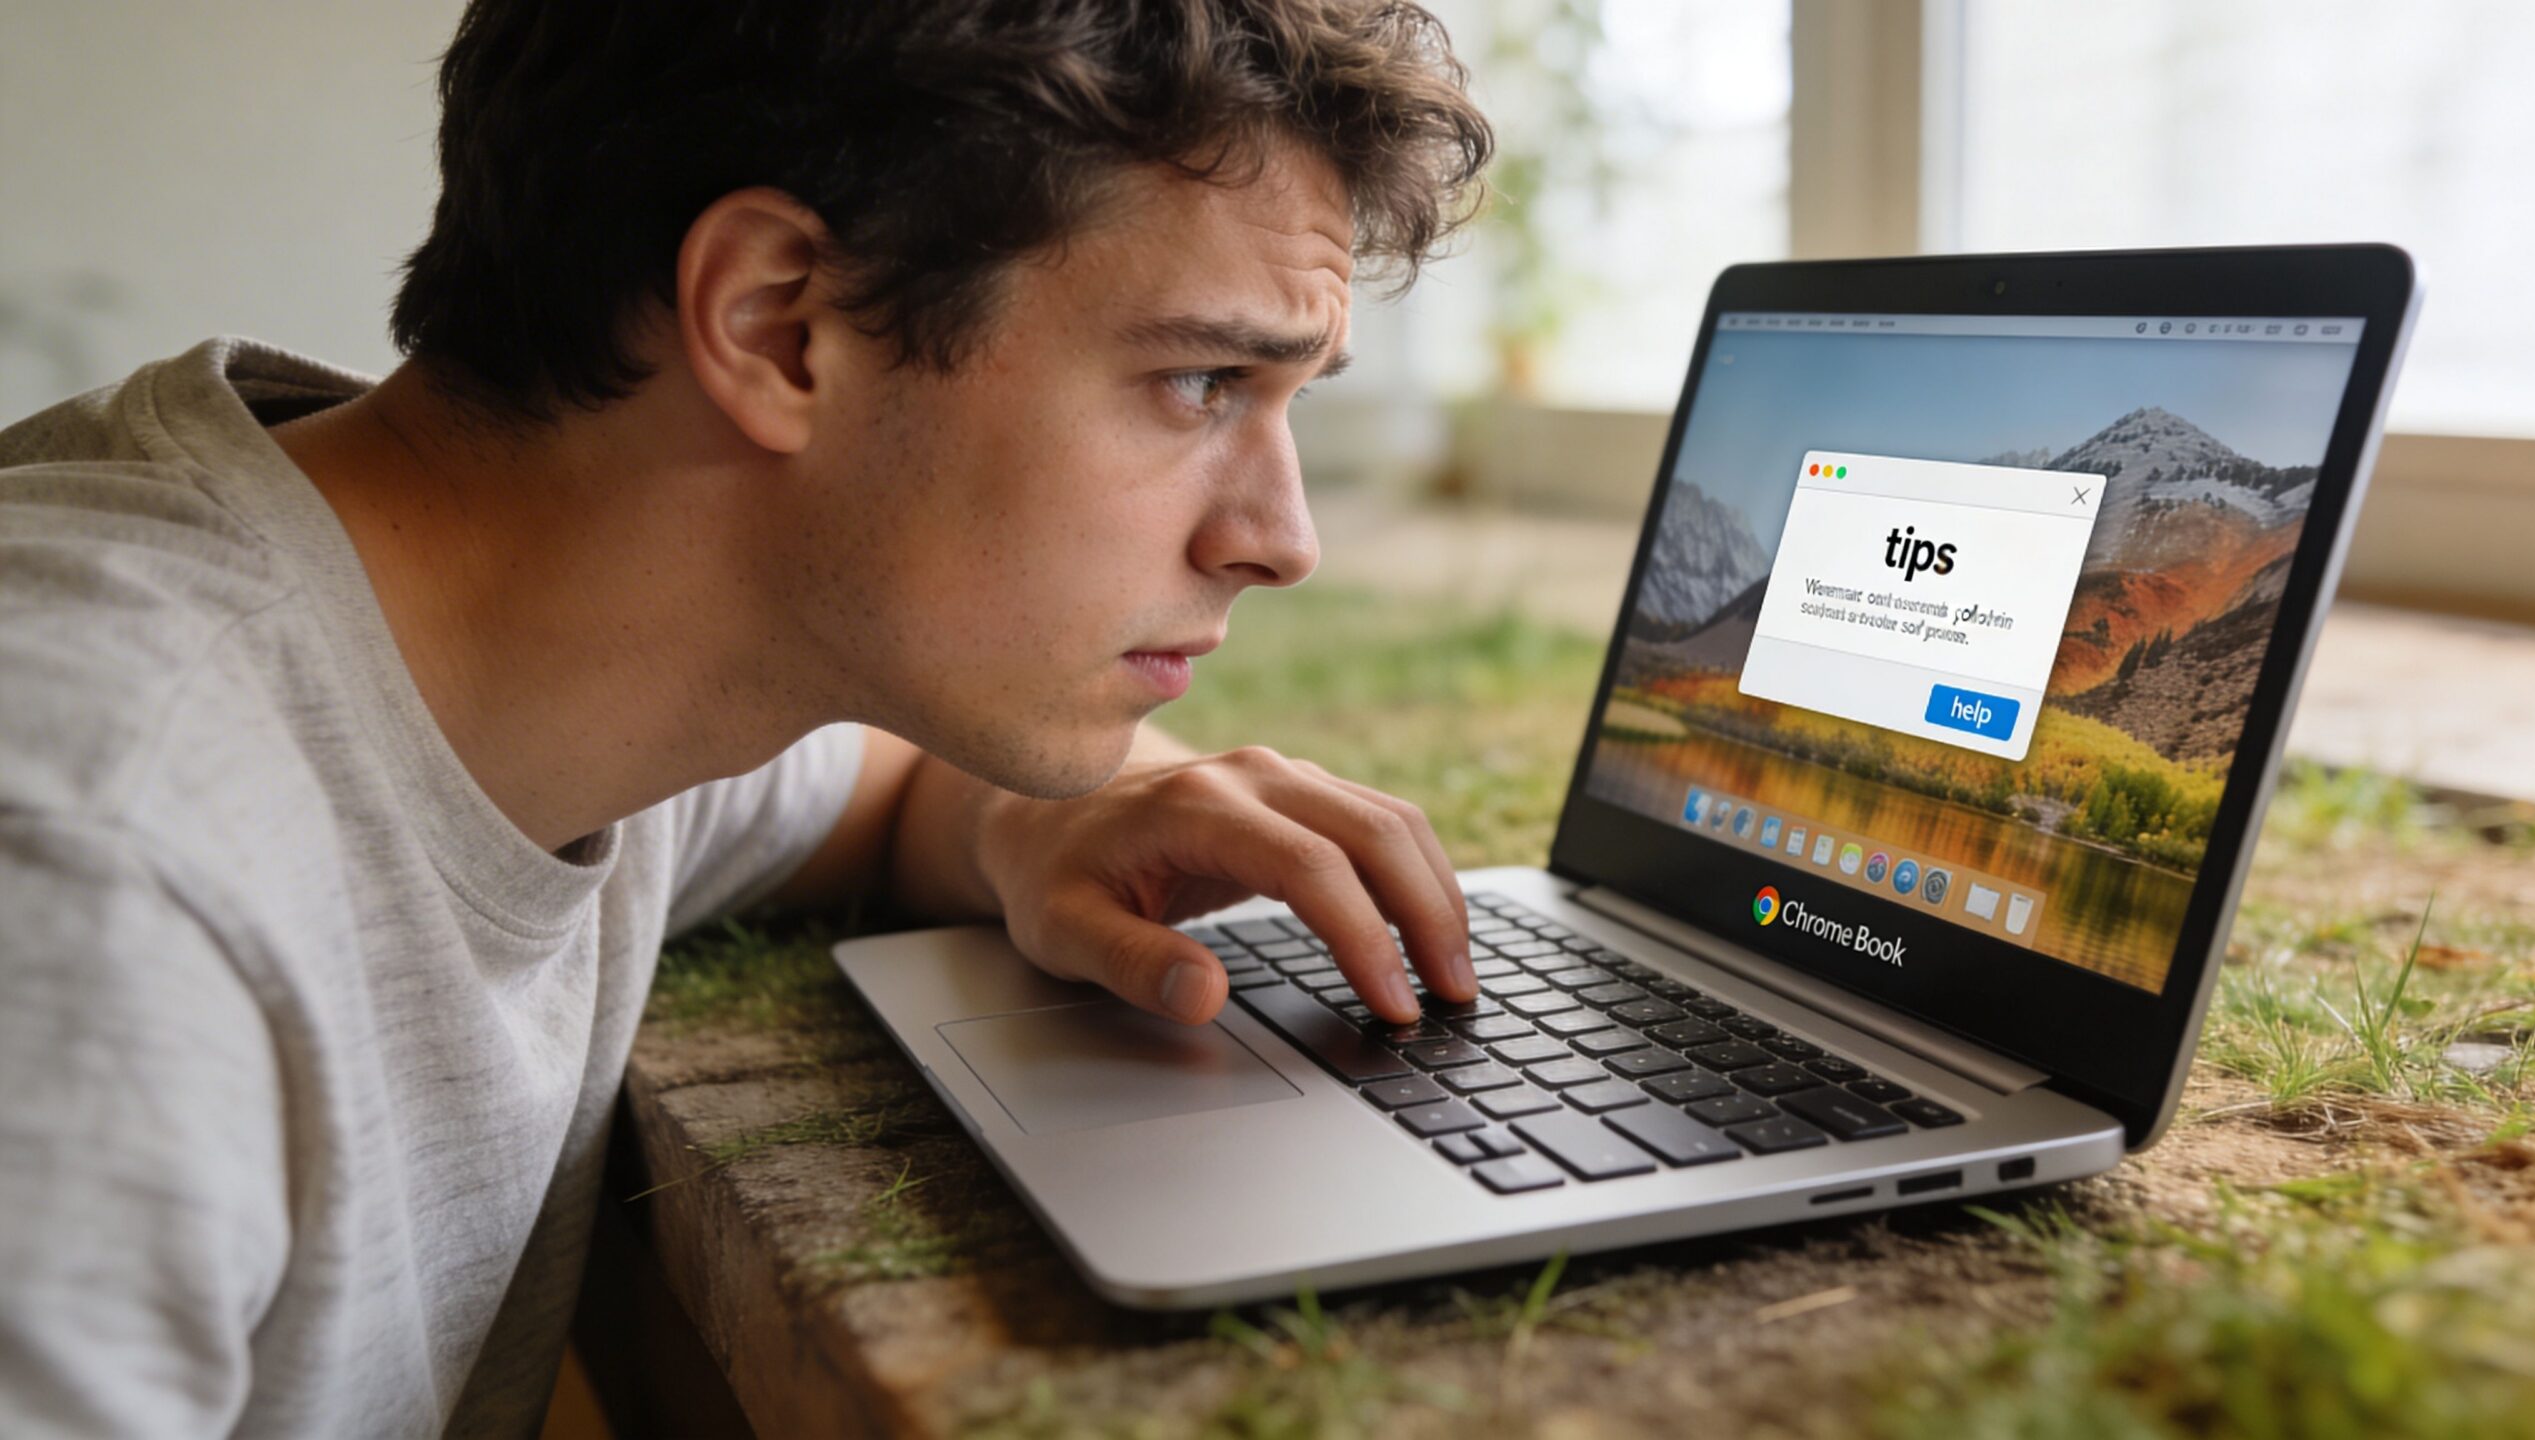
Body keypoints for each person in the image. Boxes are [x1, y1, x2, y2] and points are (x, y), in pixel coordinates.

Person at [0, 1, 1492, 1432]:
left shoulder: (565, 662)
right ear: (781, 324)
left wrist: (1052, 818)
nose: (1282, 538)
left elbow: (871, 787)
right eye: (1200, 379)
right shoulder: (94, 876)